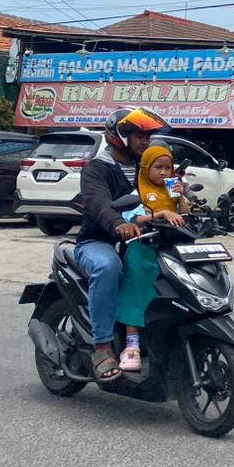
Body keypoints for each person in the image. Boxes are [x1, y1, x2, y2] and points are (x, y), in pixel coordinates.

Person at [76, 107, 170, 383]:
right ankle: (102, 347)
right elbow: (98, 203)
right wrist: (119, 224)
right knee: (108, 267)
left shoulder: (147, 168)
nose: (145, 142)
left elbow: (169, 198)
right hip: (98, 241)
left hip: (145, 241)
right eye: (139, 136)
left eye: (147, 136)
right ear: (118, 136)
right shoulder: (97, 169)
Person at [112, 145, 187, 372]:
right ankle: (132, 347)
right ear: (146, 169)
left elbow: (185, 214)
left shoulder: (172, 189)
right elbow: (133, 218)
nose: (164, 172)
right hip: (142, 253)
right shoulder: (138, 193)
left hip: (169, 253)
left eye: (168, 168)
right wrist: (161, 213)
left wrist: (180, 195)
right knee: (136, 297)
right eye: (158, 167)